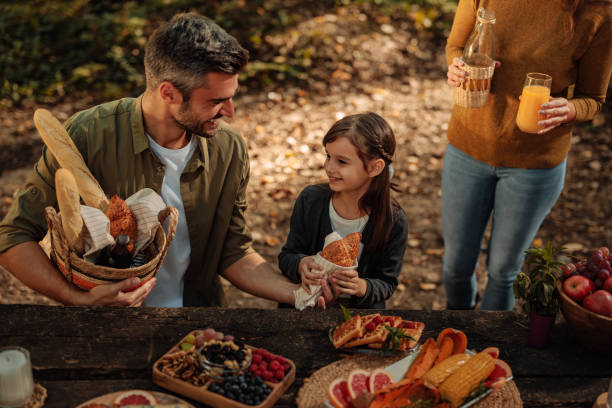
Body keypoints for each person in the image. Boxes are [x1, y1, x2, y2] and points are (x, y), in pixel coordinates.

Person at [0, 12, 309, 307]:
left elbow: (233, 252)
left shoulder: (229, 148)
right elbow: (13, 238)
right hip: (108, 329)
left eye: (232, 97)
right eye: (217, 101)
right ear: (169, 93)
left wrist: (299, 294)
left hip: (197, 321)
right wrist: (78, 299)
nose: (230, 112)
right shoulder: (87, 135)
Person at [443, 0, 612, 310]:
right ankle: (458, 331)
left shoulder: (598, 12)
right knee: (455, 268)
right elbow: (455, 46)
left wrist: (570, 109)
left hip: (534, 165)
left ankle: (489, 348)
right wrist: (456, 67)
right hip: (468, 148)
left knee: (503, 272)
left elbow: (594, 99)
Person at [278, 112, 409, 309]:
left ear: (375, 168)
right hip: (304, 310)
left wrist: (361, 286)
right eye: (328, 156)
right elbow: (287, 255)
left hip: (359, 319)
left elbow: (387, 283)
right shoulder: (310, 200)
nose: (329, 167)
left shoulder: (393, 221)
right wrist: (301, 264)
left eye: (342, 161)